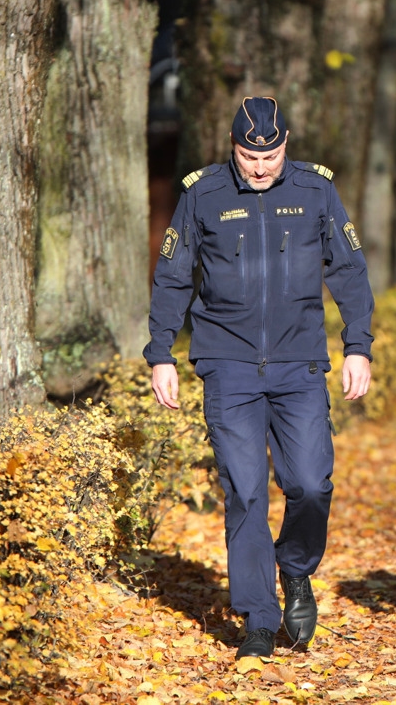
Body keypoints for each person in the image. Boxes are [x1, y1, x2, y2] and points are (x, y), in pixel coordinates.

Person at [145, 96, 375, 659]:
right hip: (228, 363)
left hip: (299, 362)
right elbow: (174, 275)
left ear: (286, 144)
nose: (260, 165)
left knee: (310, 484)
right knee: (245, 490)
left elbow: (348, 268)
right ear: (233, 147)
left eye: (270, 153)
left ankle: (295, 569)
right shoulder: (203, 193)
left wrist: (358, 347)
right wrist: (160, 353)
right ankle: (257, 619)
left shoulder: (315, 190)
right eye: (250, 153)